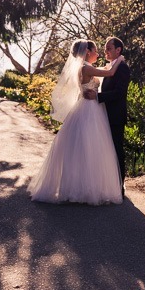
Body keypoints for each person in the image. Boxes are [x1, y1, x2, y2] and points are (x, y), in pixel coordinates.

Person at [28, 39, 124, 205]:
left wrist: (111, 65)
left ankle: (80, 186)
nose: (99, 53)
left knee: (83, 149)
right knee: (88, 149)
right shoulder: (85, 67)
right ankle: (84, 189)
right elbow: (109, 73)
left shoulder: (86, 67)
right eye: (95, 51)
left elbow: (104, 70)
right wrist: (120, 60)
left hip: (89, 108)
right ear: (87, 52)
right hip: (89, 110)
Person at [83, 36, 130, 198]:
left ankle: (119, 188)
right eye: (104, 48)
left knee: (117, 151)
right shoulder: (110, 66)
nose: (105, 51)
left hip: (115, 116)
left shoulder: (122, 68)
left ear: (118, 50)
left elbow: (119, 93)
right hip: (102, 116)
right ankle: (106, 185)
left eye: (109, 48)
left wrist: (97, 97)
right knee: (106, 152)